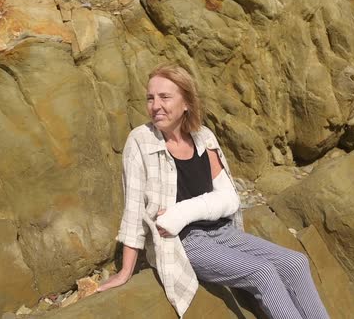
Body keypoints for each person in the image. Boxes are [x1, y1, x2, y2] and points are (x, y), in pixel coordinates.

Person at [98, 63, 329, 319]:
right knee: (263, 273)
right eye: (150, 98)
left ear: (186, 102)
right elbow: (133, 209)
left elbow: (228, 198)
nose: (155, 105)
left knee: (296, 263)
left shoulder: (203, 137)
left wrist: (182, 210)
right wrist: (125, 270)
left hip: (221, 231)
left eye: (165, 97)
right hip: (184, 242)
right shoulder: (140, 141)